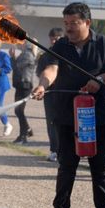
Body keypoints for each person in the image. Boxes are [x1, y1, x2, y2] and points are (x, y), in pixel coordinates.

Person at [31, 2, 105, 208]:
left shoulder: (104, 44)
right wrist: (43, 85)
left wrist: (101, 79)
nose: (69, 28)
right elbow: (51, 69)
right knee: (66, 167)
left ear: (87, 22)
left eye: (74, 23)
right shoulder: (61, 46)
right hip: (66, 116)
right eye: (66, 23)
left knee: (100, 167)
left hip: (99, 117)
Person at [37, 27, 64, 161]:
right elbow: (40, 72)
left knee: (65, 122)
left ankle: (66, 150)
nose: (54, 41)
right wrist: (43, 84)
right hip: (49, 93)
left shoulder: (67, 53)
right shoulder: (45, 55)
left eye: (57, 38)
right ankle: (54, 150)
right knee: (51, 122)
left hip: (64, 93)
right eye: (52, 38)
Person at [9, 44, 37, 144]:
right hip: (20, 85)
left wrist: (12, 57)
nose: (16, 44)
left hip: (25, 85)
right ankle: (27, 130)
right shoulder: (24, 54)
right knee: (18, 111)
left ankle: (23, 136)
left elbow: (17, 67)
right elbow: (16, 66)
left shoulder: (27, 54)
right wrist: (13, 57)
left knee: (19, 111)